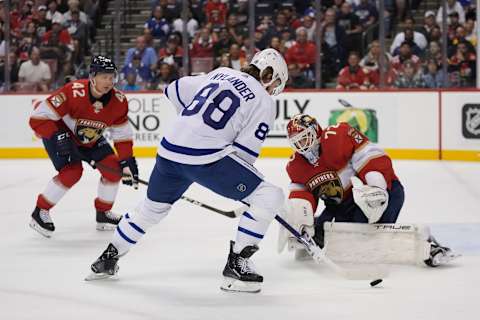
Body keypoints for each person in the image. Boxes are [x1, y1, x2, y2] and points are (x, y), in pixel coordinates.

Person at [87, 48, 289, 294]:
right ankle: (237, 265)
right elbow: (244, 155)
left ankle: (108, 258)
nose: (274, 88)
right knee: (269, 196)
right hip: (205, 158)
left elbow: (172, 90)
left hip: (169, 151)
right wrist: (246, 196)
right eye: (276, 81)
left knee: (151, 210)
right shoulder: (264, 101)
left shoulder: (221, 73)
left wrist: (193, 127)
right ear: (269, 75)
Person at [279, 114, 456, 267]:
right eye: (296, 142)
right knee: (322, 234)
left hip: (384, 192)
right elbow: (302, 196)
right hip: (341, 206)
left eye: (304, 137)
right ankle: (321, 226)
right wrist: (300, 220)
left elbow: (371, 158)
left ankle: (428, 245)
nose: (301, 145)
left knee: (371, 237)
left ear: (316, 131)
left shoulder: (337, 136)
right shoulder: (296, 165)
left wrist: (377, 188)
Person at [28, 56, 139, 238]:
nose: (108, 82)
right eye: (104, 77)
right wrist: (59, 136)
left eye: (112, 77)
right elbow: (38, 119)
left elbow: (123, 135)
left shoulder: (119, 101)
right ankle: (40, 211)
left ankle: (103, 214)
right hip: (59, 134)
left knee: (114, 170)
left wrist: (127, 161)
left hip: (90, 137)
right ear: (92, 77)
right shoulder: (72, 91)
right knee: (73, 172)